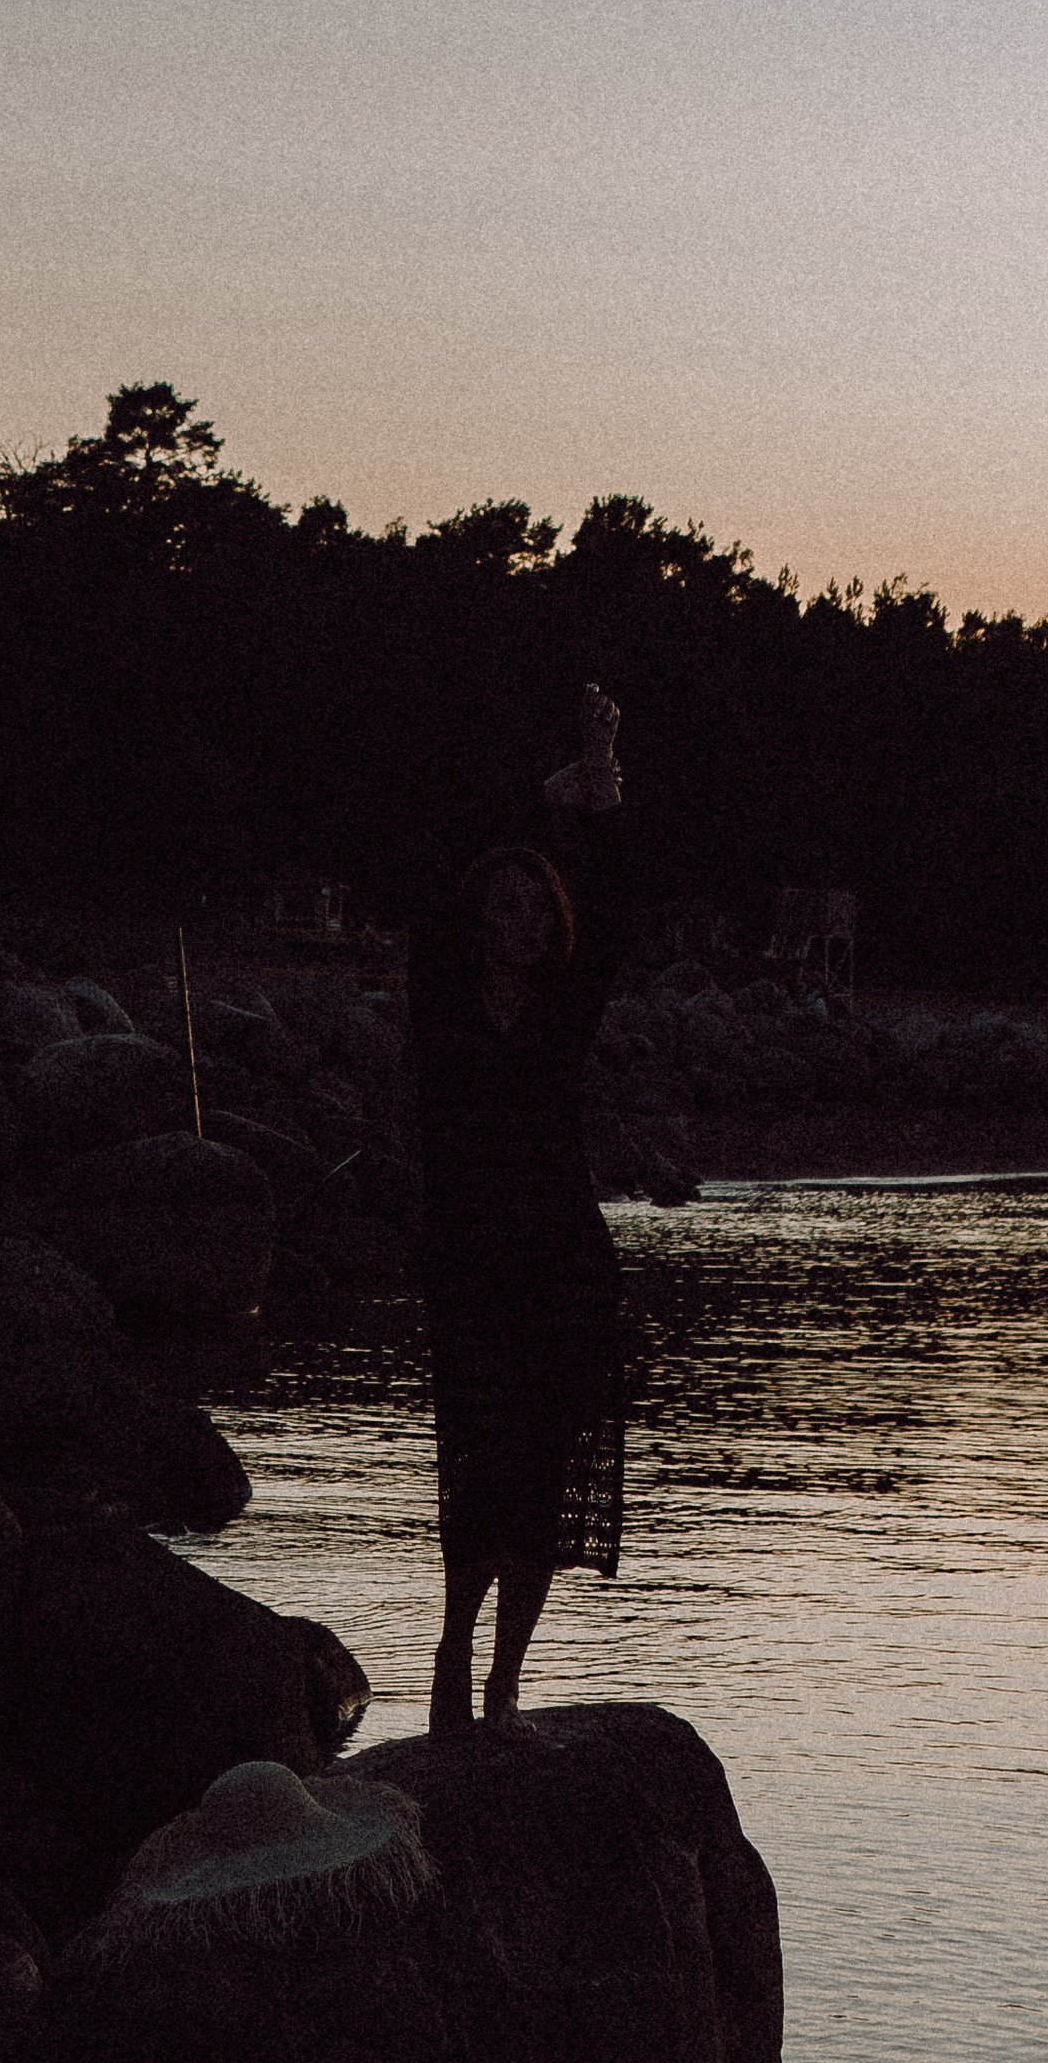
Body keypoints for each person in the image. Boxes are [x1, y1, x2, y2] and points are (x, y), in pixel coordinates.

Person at [408, 679, 631, 1736]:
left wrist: (601, 778)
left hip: (563, 1266)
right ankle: (453, 1654)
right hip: (469, 1266)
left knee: (545, 1483)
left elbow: (613, 898)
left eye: (541, 909)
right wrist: (539, 796)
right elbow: (440, 863)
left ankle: (503, 1687)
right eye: (508, 907)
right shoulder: (442, 1004)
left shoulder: (566, 1011)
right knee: (477, 1473)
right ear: (477, 920)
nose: (528, 922)